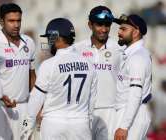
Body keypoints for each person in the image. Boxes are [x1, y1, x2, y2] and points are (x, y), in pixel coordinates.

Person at [20, 17, 97, 140]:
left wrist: (27, 125)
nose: (48, 41)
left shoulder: (49, 64)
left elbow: (36, 97)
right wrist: (88, 123)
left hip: (53, 124)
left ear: (55, 37)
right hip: (80, 124)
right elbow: (92, 101)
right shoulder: (89, 64)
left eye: (49, 37)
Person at [0, 3, 36, 140]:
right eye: (11, 21)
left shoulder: (29, 42)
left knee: (27, 138)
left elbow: (32, 75)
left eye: (18, 20)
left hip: (24, 109)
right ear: (2, 22)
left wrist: (35, 103)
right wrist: (2, 97)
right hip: (0, 109)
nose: (16, 25)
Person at [74, 6, 122, 140]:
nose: (104, 29)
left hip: (110, 111)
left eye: (107, 25)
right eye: (99, 24)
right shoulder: (77, 49)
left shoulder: (119, 49)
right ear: (90, 25)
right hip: (83, 111)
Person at [111, 14, 152, 140]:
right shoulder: (132, 54)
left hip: (133, 114)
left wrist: (124, 126)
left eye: (124, 29)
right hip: (128, 112)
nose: (119, 32)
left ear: (136, 32)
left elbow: (135, 93)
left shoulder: (137, 57)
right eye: (119, 28)